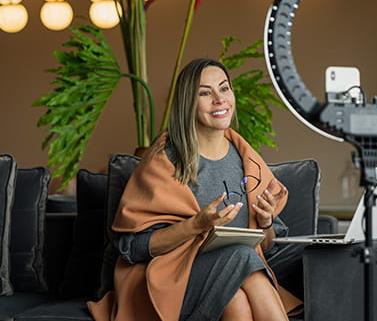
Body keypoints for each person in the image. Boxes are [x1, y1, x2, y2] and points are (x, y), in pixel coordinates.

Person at [88, 58, 301, 321]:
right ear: (188, 102)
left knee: (237, 301)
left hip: (228, 280)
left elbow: (266, 246)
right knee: (241, 256)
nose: (219, 99)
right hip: (170, 284)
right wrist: (197, 224)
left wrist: (266, 222)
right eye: (205, 93)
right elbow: (132, 248)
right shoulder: (164, 160)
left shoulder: (247, 161)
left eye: (224, 89)